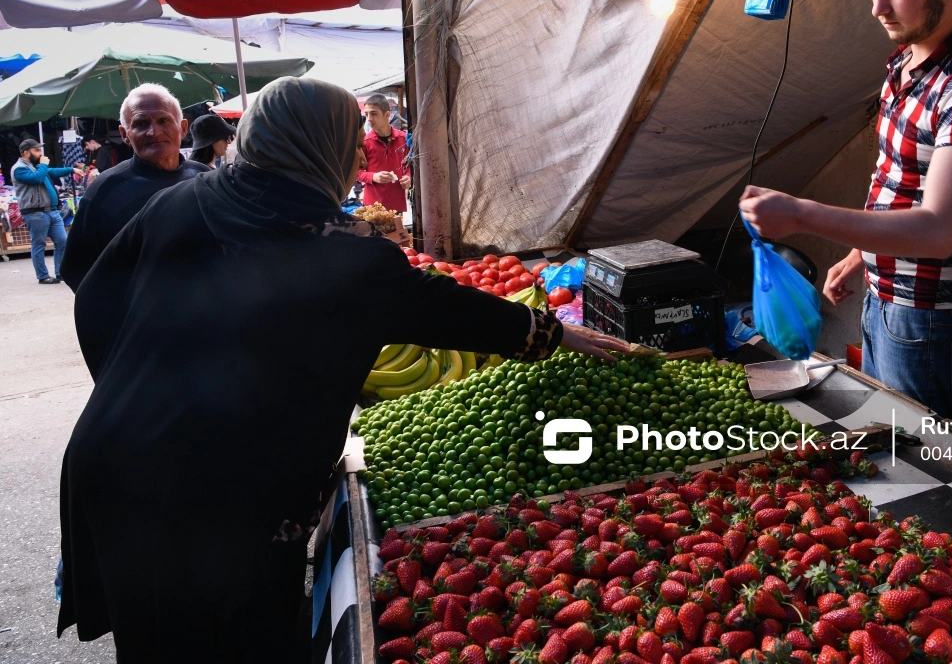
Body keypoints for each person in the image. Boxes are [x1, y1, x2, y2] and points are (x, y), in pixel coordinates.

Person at [57, 77, 628, 662]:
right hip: (216, 496)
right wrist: (552, 333)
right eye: (350, 139)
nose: (359, 153)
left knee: (154, 641)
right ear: (314, 144)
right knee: (235, 639)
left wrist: (135, 385)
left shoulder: (179, 204)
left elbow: (95, 298)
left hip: (117, 458)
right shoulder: (342, 252)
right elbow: (444, 310)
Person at [739, 0, 952, 418]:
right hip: (887, 298)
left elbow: (937, 229)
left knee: (910, 463)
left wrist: (801, 214)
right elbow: (901, 183)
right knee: (884, 442)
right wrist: (858, 257)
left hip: (928, 317)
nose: (877, 8)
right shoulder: (905, 65)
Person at [59, 83, 209, 291]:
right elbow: (76, 269)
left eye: (164, 120)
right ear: (124, 134)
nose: (154, 132)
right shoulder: (106, 191)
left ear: (183, 128)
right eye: (140, 124)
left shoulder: (205, 179)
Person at [9, 139, 82, 284]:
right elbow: (36, 179)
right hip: (35, 212)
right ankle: (43, 276)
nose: (40, 153)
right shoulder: (19, 168)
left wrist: (71, 169)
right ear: (26, 153)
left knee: (62, 241)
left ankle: (60, 272)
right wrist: (43, 164)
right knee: (39, 244)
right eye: (36, 150)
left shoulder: (36, 167)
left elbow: (52, 171)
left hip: (52, 211)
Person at [357, 92, 411, 212]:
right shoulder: (365, 142)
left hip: (397, 204)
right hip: (373, 206)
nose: (369, 119)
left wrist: (408, 177)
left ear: (387, 115)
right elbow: (355, 172)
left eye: (374, 114)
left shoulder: (403, 138)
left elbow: (409, 165)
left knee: (397, 231)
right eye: (366, 114)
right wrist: (373, 176)